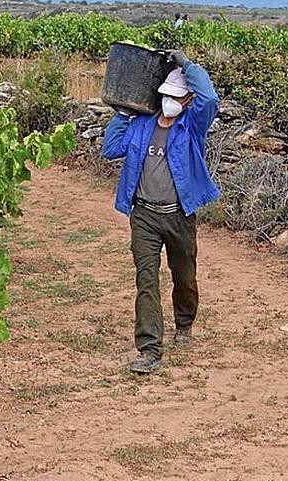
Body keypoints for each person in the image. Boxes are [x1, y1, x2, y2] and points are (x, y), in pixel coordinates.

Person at [102, 50, 221, 374]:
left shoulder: (191, 128)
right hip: (144, 216)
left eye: (177, 97)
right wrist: (122, 113)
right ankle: (150, 349)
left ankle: (184, 324)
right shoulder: (141, 124)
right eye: (166, 95)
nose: (170, 101)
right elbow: (110, 149)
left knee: (184, 276)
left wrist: (188, 65)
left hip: (179, 215)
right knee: (146, 280)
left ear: (186, 101)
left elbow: (209, 99)